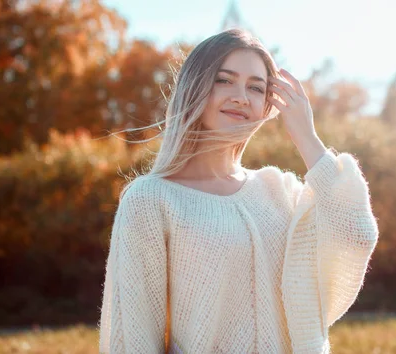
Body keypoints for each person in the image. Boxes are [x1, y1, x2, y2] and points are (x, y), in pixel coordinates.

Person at [98, 28, 379, 354]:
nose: (241, 96)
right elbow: (133, 338)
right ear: (195, 88)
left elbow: (356, 233)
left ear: (267, 105)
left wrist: (307, 137)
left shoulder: (281, 192)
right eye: (225, 80)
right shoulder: (151, 200)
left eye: (256, 87)